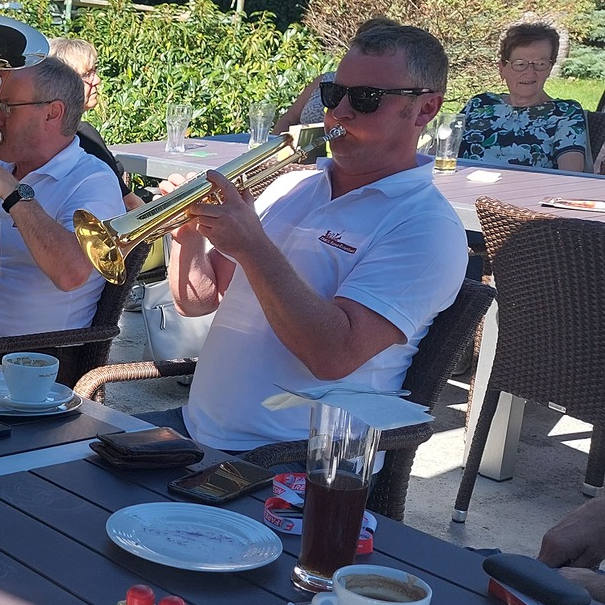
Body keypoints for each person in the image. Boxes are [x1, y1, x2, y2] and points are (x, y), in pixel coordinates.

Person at [149, 23, 468, 454]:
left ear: (425, 108)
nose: (339, 113)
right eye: (334, 94)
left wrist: (253, 246)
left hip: (295, 457)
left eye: (366, 98)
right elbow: (200, 301)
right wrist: (188, 237)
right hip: (195, 428)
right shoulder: (289, 187)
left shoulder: (426, 227)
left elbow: (332, 356)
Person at [0, 58, 126, 353]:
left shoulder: (92, 179)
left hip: (33, 361)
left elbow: (71, 273)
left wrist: (12, 192)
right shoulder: (1, 169)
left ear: (52, 113)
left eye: (7, 107)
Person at [457, 21, 590, 172]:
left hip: (530, 188)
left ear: (550, 69)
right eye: (520, 64)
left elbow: (571, 176)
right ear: (502, 69)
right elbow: (442, 151)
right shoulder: (480, 103)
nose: (530, 72)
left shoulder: (566, 112)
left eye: (540, 64)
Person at [46, 36, 141, 211]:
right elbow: (131, 203)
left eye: (95, 70)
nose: (97, 80)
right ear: (63, 82)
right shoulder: (82, 136)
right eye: (87, 74)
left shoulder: (50, 137)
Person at [272, 16, 399, 134]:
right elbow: (288, 119)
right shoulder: (326, 80)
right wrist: (273, 148)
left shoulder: (388, 92)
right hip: (296, 148)